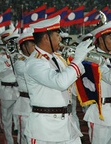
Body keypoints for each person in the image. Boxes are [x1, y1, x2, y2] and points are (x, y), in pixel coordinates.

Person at [24, 15, 94, 143]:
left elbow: (69, 86)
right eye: (57, 34)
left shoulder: (57, 57)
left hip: (67, 124)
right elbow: (60, 82)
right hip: (45, 129)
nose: (60, 38)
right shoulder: (34, 62)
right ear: (46, 37)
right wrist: (77, 60)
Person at [0, 33, 19, 144]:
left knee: (20, 119)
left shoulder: (20, 56)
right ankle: (9, 141)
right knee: (6, 120)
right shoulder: (1, 56)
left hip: (18, 91)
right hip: (6, 91)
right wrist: (9, 62)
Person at [13, 31, 35, 144]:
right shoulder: (19, 61)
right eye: (32, 45)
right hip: (24, 105)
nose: (35, 48)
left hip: (36, 105)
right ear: (24, 46)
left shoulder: (36, 60)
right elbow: (28, 72)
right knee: (24, 139)